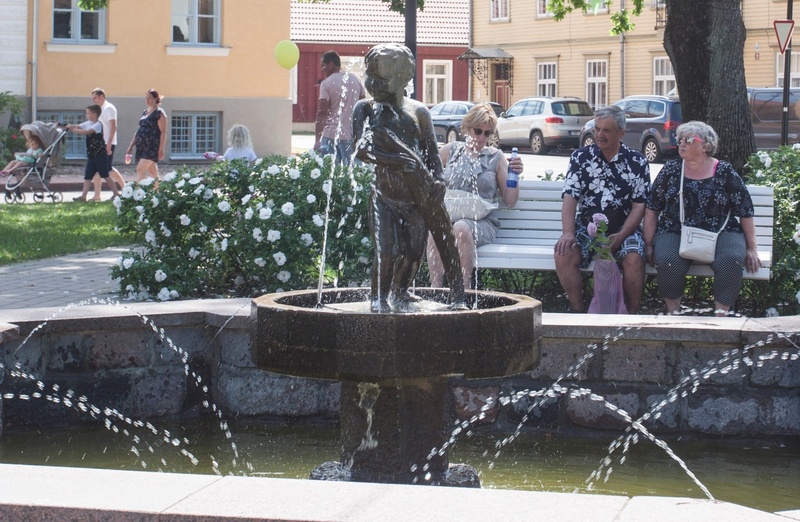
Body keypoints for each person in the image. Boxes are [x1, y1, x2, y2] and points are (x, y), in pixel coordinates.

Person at [353, 43, 465, 312]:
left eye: (381, 79)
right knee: (387, 251)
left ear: (403, 79)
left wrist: (439, 179)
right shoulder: (365, 109)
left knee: (414, 253)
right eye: (370, 77)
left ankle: (401, 292)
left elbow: (431, 152)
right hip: (384, 196)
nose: (372, 84)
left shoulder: (419, 112)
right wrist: (398, 162)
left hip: (417, 198)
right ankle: (378, 300)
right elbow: (361, 150)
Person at [643, 121, 761, 316]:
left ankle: (720, 316)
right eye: (680, 139)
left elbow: (745, 211)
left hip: (721, 230)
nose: (682, 143)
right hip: (676, 229)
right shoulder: (671, 170)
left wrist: (751, 248)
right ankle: (674, 314)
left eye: (689, 140)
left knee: (730, 261)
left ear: (706, 145)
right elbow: (652, 209)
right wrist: (648, 244)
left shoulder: (725, 171)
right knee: (668, 261)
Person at [554, 105, 651, 313]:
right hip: (587, 228)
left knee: (634, 259)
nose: (599, 135)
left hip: (624, 228)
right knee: (563, 253)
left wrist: (621, 235)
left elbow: (639, 206)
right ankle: (579, 313)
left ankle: (630, 316)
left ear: (621, 132)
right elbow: (570, 197)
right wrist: (568, 233)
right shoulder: (581, 158)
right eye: (597, 129)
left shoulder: (637, 161)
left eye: (606, 130)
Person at [425, 102, 523, 289]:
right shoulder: (452, 150)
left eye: (487, 133)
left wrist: (514, 175)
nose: (482, 138)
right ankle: (435, 290)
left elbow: (510, 201)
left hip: (483, 222)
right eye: (478, 131)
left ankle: (465, 291)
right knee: (435, 229)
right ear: (467, 129)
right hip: (451, 216)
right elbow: (428, 174)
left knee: (461, 228)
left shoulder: (496, 157)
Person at [315, 50, 365, 166]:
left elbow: (322, 112)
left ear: (331, 64)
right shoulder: (356, 79)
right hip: (352, 136)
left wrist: (317, 140)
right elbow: (362, 106)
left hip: (331, 135)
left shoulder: (326, 83)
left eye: (323, 65)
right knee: (355, 174)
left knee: (329, 174)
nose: (322, 69)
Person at [67, 104, 120, 202]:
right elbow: (78, 126)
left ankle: (116, 194)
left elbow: (87, 132)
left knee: (105, 175)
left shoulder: (98, 125)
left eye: (88, 113)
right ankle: (83, 196)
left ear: (94, 115)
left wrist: (73, 130)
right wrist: (68, 126)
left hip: (100, 155)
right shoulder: (89, 123)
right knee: (88, 176)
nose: (87, 115)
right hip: (92, 155)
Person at [90, 88, 126, 200]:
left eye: (95, 98)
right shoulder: (100, 109)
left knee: (104, 169)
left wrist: (109, 144)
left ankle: (124, 189)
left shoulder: (109, 108)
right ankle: (98, 195)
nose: (94, 100)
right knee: (103, 169)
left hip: (107, 143)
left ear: (102, 97)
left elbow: (113, 126)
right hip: (101, 144)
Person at [126, 89, 167, 182]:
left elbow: (163, 132)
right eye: (146, 98)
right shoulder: (145, 112)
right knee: (153, 172)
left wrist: (161, 149)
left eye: (150, 98)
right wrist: (131, 146)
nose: (147, 101)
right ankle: (158, 194)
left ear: (156, 98)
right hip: (142, 146)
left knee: (140, 169)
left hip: (152, 146)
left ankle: (139, 193)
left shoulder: (159, 113)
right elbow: (139, 130)